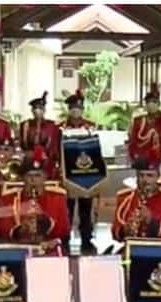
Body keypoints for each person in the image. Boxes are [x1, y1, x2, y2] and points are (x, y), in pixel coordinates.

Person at [0, 148, 70, 251]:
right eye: (29, 176)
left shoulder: (57, 197)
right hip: (19, 247)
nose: (33, 180)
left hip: (49, 247)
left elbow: (64, 229)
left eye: (37, 176)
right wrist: (20, 230)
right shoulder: (9, 197)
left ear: (45, 177)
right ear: (23, 178)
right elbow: (2, 227)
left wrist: (45, 223)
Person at [112, 150, 161, 241]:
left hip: (159, 252)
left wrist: (152, 221)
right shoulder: (124, 197)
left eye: (150, 176)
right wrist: (125, 230)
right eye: (141, 175)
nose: (145, 180)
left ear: (158, 177)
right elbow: (115, 232)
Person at [58, 90, 97, 253]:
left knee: (85, 209)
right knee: (66, 209)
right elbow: (55, 149)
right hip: (66, 173)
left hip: (85, 174)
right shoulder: (59, 127)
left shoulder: (90, 126)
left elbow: (96, 149)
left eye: (78, 108)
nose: (76, 110)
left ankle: (86, 238)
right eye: (73, 107)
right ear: (68, 109)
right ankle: (65, 238)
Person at [128, 85, 161, 161]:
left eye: (154, 101)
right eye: (148, 102)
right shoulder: (138, 121)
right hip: (143, 159)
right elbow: (132, 140)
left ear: (158, 103)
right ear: (145, 104)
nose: (151, 104)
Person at [18, 91, 61, 180]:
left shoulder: (52, 126)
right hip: (29, 161)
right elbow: (22, 144)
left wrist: (48, 155)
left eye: (40, 108)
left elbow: (55, 146)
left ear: (44, 110)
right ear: (32, 111)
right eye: (35, 108)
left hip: (47, 161)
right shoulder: (25, 125)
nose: (37, 111)